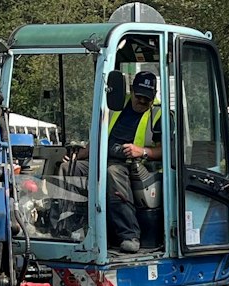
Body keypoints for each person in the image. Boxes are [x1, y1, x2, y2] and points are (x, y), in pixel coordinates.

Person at [63, 70, 162, 252]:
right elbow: (99, 137)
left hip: (136, 166)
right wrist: (78, 156)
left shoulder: (159, 114)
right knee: (69, 168)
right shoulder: (114, 104)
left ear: (154, 95)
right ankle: (71, 227)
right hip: (103, 159)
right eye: (139, 96)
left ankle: (129, 234)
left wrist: (142, 151)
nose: (141, 101)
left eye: (146, 99)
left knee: (113, 172)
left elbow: (167, 150)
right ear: (132, 90)